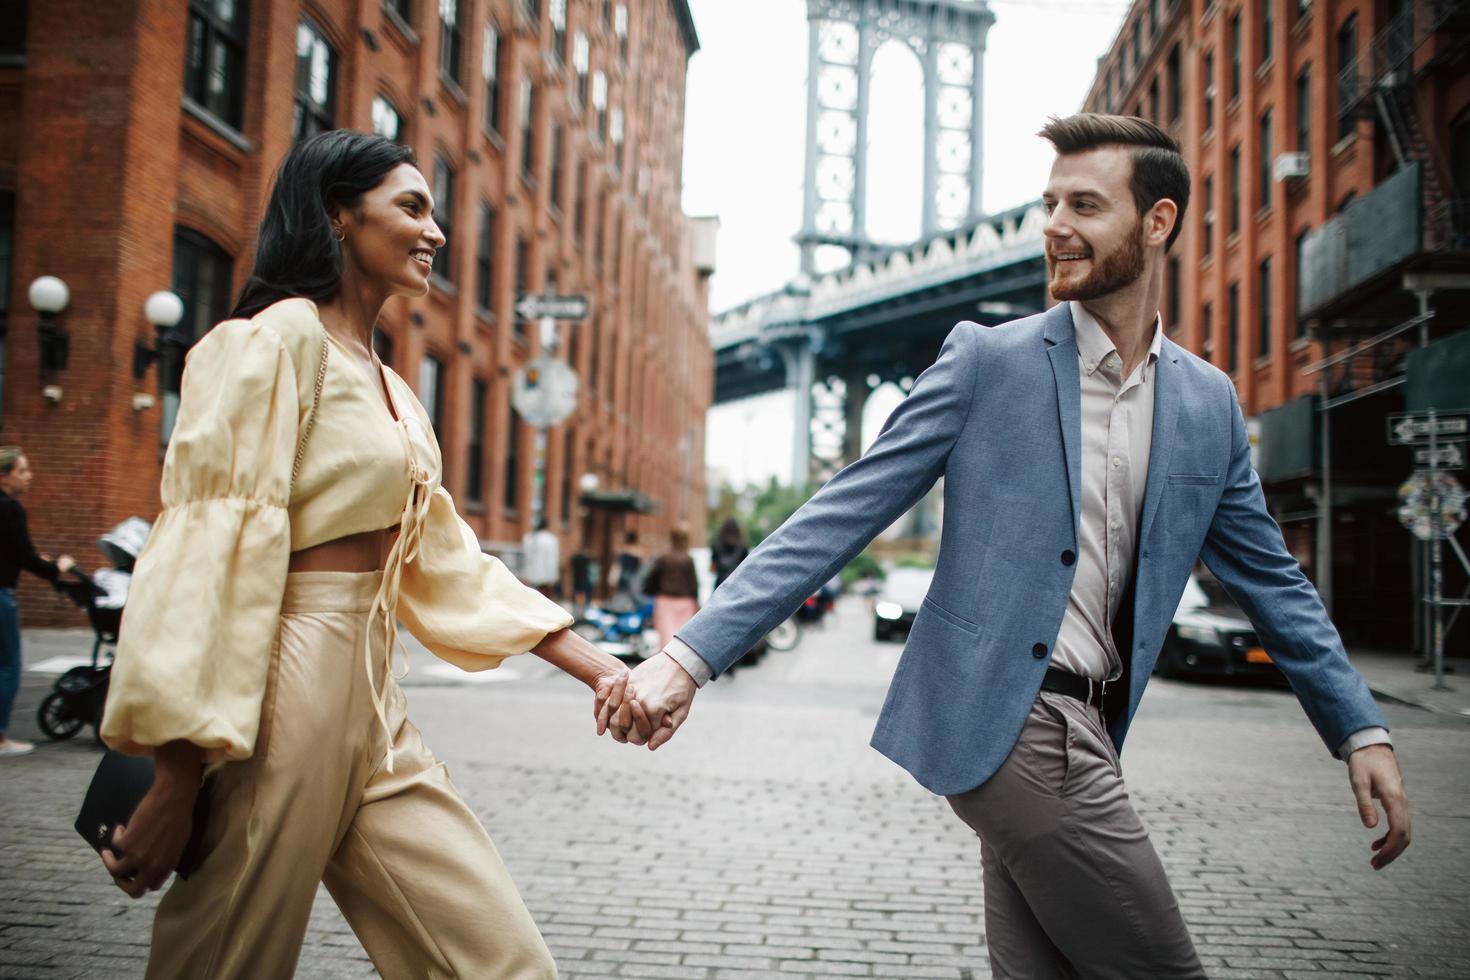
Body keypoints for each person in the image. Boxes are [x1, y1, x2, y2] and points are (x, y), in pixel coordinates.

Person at [614, 114, 1411, 977]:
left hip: (1093, 729)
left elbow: (1274, 583)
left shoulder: (1208, 405)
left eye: (1084, 205)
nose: (1055, 226)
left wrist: (1359, 728)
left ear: (1158, 222)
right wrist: (689, 657)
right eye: (1048, 203)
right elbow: (842, 511)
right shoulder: (985, 362)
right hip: (1021, 726)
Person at [99, 130, 647, 979]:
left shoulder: (391, 385)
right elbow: (207, 553)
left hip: (372, 696)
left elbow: (444, 559)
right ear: (339, 216)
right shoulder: (273, 342)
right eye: (412, 207)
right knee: (225, 962)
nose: (435, 233)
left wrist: (601, 668)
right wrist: (175, 777)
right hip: (279, 688)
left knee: (499, 960)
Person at [0, 448, 75, 758]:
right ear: (3, 476)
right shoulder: (10, 508)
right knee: (8, 667)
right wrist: (57, 567)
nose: (29, 476)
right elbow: (23, 555)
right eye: (22, 471)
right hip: (1, 595)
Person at [640, 527, 699, 648]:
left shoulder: (663, 558)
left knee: (666, 637)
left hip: (665, 600)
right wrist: (696, 602)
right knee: (683, 639)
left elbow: (652, 578)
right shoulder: (688, 559)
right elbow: (693, 583)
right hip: (685, 602)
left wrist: (651, 592)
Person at [521, 517, 562, 599]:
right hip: (547, 575)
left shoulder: (529, 538)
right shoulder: (551, 539)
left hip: (532, 574)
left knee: (532, 597)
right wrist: (553, 576)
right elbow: (553, 559)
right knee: (545, 598)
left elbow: (526, 557)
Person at [710, 517, 749, 589]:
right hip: (737, 586)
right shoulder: (743, 549)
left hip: (720, 586)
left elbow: (712, 569)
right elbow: (747, 571)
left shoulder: (716, 547)